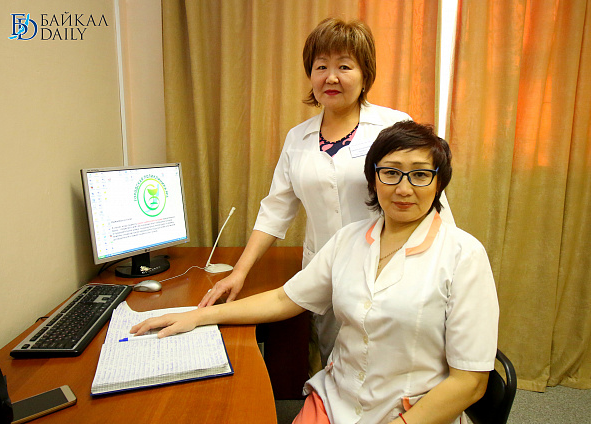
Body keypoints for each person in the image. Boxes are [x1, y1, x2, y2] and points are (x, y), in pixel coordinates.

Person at [132, 121, 499, 424]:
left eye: (420, 175)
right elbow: (284, 299)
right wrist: (197, 316)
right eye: (390, 173)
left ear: (438, 182)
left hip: (411, 414)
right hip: (335, 402)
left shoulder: (463, 255)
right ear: (373, 178)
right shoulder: (350, 240)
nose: (404, 188)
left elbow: (470, 382)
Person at [199, 17, 454, 369]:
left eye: (344, 66)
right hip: (326, 271)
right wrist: (239, 272)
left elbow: (432, 203)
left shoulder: (393, 126)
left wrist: (447, 269)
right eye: (321, 66)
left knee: (393, 366)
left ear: (365, 74)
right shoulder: (297, 138)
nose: (331, 77)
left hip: (391, 270)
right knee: (337, 361)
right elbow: (275, 210)